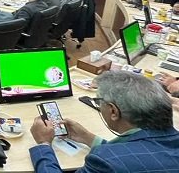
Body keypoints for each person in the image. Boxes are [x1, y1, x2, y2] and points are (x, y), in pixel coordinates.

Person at [29, 70, 179, 172]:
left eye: (99, 102)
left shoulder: (106, 161)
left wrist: (43, 144)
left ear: (113, 111)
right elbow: (140, 152)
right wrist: (87, 138)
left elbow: (121, 159)